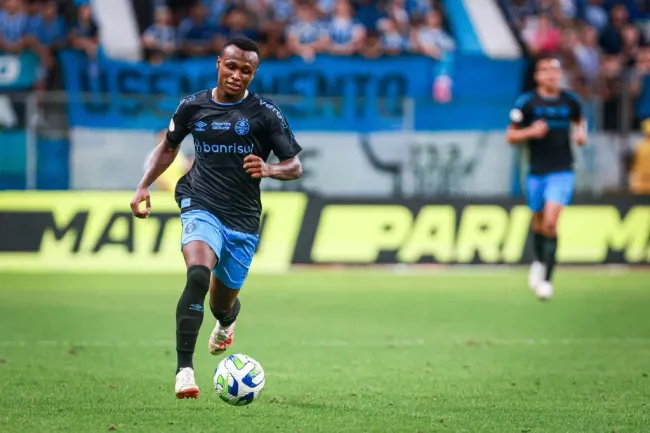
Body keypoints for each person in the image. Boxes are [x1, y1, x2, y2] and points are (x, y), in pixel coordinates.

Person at [129, 36, 303, 399]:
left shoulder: (265, 114)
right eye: (232, 66)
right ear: (218, 64)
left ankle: (226, 321)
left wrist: (270, 170)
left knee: (221, 304)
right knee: (196, 274)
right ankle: (184, 371)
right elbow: (169, 148)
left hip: (242, 218)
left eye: (246, 70)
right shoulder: (192, 107)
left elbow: (294, 165)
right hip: (199, 200)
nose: (237, 75)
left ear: (253, 74)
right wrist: (144, 184)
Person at [506, 55, 587, 301]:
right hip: (535, 172)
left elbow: (580, 121)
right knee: (539, 222)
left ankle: (547, 280)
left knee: (551, 222)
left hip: (562, 170)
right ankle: (539, 261)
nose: (552, 74)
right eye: (546, 70)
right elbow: (510, 136)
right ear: (537, 76)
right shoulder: (527, 103)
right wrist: (531, 131)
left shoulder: (570, 101)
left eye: (555, 69)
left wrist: (581, 134)